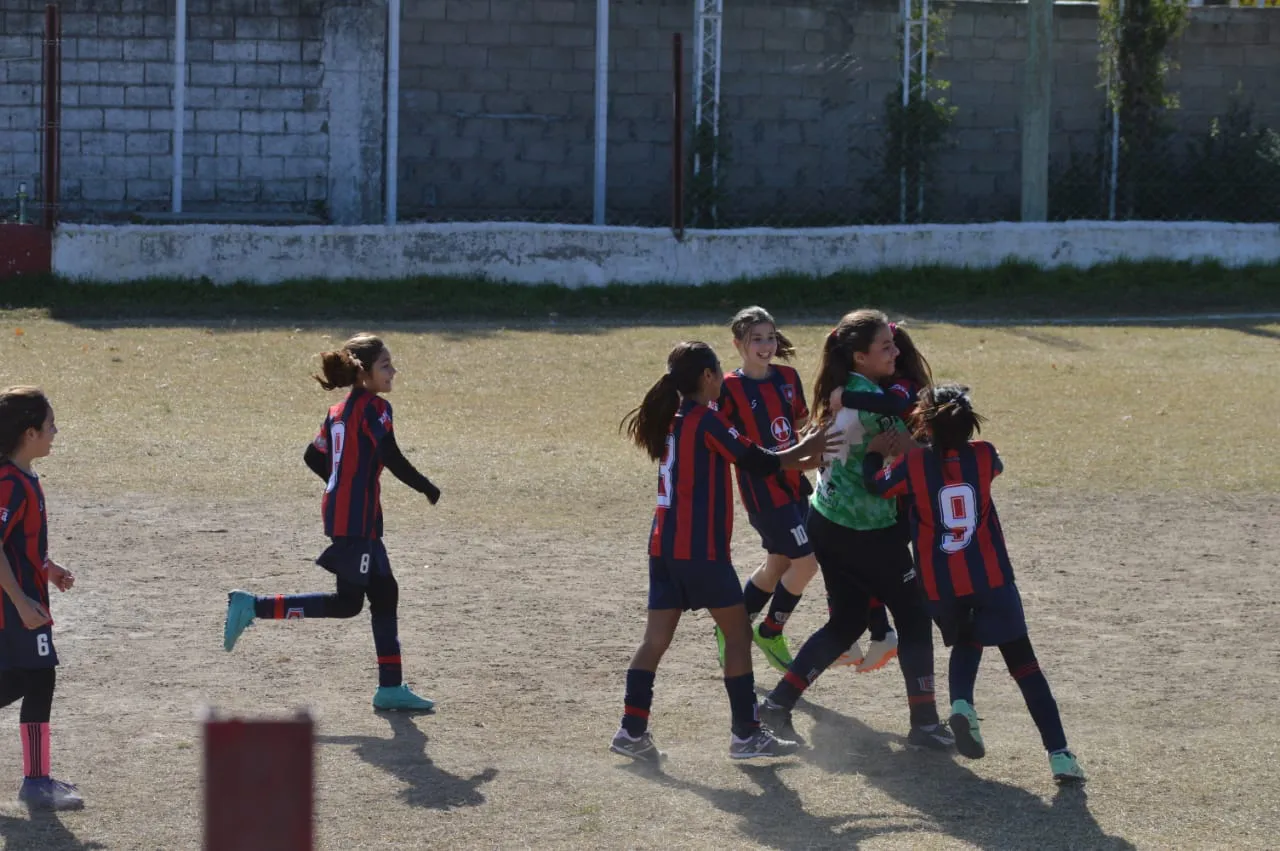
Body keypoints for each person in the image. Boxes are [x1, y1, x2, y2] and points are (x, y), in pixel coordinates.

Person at [610, 341, 840, 763]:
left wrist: (805, 452)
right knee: (737, 634)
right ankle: (746, 734)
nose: (722, 378)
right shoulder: (706, 420)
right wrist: (813, 443)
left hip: (663, 546)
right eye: (718, 370)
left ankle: (631, 730)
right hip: (699, 549)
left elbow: (762, 460)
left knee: (654, 641)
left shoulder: (675, 419)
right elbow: (759, 461)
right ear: (708, 377)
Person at [863, 383, 1086, 783]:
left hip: (941, 585)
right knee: (1025, 667)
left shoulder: (914, 466)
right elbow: (993, 467)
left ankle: (962, 703)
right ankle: (1060, 756)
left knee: (968, 639)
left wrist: (875, 453)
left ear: (926, 425)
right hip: (991, 578)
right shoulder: (984, 456)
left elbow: (876, 485)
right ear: (969, 425)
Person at [758, 310, 952, 751]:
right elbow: (913, 452)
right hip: (866, 531)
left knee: (847, 621)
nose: (895, 352)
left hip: (825, 521)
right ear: (860, 356)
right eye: (885, 346)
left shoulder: (846, 388)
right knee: (914, 616)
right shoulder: (871, 402)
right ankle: (925, 723)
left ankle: (776, 704)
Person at [223, 334, 441, 713]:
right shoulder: (376, 408)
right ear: (364, 373)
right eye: (385, 365)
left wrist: (341, 482)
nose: (393, 371)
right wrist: (426, 486)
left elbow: (313, 456)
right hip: (356, 519)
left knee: (385, 593)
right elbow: (390, 455)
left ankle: (390, 687)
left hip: (353, 517)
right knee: (348, 603)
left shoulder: (337, 411)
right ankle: (253, 606)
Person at [711, 306, 818, 674]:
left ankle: (730, 630)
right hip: (762, 491)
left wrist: (819, 441)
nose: (766, 345)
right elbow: (715, 434)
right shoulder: (729, 387)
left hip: (795, 484)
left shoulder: (788, 377)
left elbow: (801, 423)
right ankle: (770, 631)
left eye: (770, 337)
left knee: (779, 563)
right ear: (738, 344)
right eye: (756, 338)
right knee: (806, 563)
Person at [829, 321, 934, 673]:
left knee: (879, 569)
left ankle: (877, 634)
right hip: (892, 486)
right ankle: (874, 633)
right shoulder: (874, 387)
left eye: (893, 347)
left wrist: (845, 397)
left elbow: (891, 405)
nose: (893, 353)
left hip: (903, 493)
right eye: (885, 347)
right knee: (865, 567)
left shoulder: (905, 386)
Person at [0, 386, 82, 810]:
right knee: (37, 676)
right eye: (50, 425)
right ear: (29, 433)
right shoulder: (9, 484)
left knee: (29, 677)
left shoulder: (25, 478)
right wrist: (19, 601)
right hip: (15, 606)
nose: (56, 432)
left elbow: (20, 545)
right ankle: (35, 782)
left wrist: (48, 568)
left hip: (26, 599)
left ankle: (37, 779)